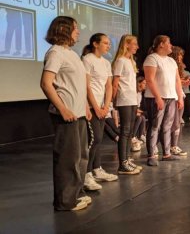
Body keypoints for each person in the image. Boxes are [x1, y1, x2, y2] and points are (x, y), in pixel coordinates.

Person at [40, 16, 92, 211]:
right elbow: (46, 83)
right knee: (67, 159)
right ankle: (65, 201)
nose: (78, 32)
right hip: (66, 114)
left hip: (78, 113)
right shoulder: (55, 53)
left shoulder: (71, 53)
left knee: (80, 157)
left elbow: (77, 84)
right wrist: (63, 108)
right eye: (75, 28)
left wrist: (85, 105)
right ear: (63, 29)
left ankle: (76, 194)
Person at [82, 33, 118, 191]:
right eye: (105, 43)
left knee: (98, 139)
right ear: (95, 44)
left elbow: (109, 86)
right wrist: (95, 107)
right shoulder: (87, 59)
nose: (108, 46)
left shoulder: (106, 62)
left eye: (109, 43)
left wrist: (106, 105)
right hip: (91, 106)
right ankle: (86, 174)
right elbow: (86, 86)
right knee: (94, 139)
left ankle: (97, 169)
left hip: (103, 106)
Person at [143, 35, 184, 166]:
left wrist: (179, 97)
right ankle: (151, 155)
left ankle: (166, 154)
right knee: (155, 126)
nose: (171, 45)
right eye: (169, 43)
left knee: (167, 126)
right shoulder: (152, 58)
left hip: (171, 97)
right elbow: (149, 80)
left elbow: (177, 80)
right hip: (156, 98)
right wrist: (158, 97)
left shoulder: (171, 61)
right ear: (161, 44)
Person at [112, 34, 142, 175]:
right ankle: (122, 164)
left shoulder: (131, 61)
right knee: (125, 130)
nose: (137, 47)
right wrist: (112, 100)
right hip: (123, 99)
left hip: (132, 99)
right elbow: (115, 82)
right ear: (127, 44)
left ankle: (128, 159)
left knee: (130, 131)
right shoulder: (120, 61)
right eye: (134, 44)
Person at [169, 46, 188, 156]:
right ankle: (171, 146)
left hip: (180, 94)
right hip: (174, 95)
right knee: (174, 122)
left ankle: (174, 145)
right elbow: (170, 80)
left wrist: (182, 82)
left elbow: (176, 80)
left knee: (178, 121)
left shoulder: (178, 66)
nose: (181, 57)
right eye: (179, 54)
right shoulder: (171, 64)